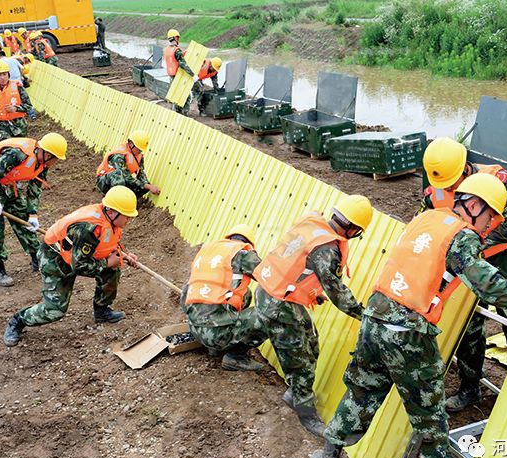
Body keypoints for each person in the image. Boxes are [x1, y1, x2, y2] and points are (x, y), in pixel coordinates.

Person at [310, 174, 507, 458]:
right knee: (430, 409)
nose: (490, 226)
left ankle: (327, 457)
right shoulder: (462, 235)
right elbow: (487, 286)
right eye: (490, 217)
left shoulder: (426, 218)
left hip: (374, 319)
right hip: (406, 331)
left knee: (362, 392)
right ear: (474, 205)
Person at [420, 137, 507, 412]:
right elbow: (427, 224)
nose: (450, 190)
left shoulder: (497, 179)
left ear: (465, 168)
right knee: (468, 329)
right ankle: (470, 388)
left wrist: (472, 245)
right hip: (464, 271)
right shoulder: (434, 190)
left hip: (503, 264)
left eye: (454, 183)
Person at [253, 195, 372, 436]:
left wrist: (311, 292)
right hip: (279, 304)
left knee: (311, 344)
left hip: (274, 292)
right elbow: (338, 293)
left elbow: (298, 263)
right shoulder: (327, 249)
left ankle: (295, 392)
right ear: (354, 229)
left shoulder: (314, 224)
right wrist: (365, 315)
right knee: (301, 360)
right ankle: (305, 411)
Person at [3, 186, 140, 347]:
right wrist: (108, 262)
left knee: (112, 269)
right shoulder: (88, 229)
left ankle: (102, 310)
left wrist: (123, 255)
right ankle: (18, 321)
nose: (128, 220)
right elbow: (80, 266)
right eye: (127, 216)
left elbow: (107, 243)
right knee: (54, 310)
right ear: (112, 212)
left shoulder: (109, 220)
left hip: (76, 256)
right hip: (56, 260)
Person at [0, 133, 67, 286]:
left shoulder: (43, 164)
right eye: (55, 158)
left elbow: (34, 190)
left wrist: (32, 214)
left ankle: (37, 259)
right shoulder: (17, 154)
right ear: (47, 153)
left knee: (25, 222)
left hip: (9, 184)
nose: (55, 162)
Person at [181, 224, 269, 371]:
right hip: (215, 335)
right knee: (270, 315)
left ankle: (215, 347)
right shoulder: (242, 253)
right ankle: (235, 357)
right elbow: (272, 278)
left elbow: (184, 296)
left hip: (195, 330)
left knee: (244, 295)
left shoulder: (207, 253)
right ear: (248, 244)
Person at [95, 130, 160, 200]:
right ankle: (114, 200)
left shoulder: (139, 156)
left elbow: (141, 173)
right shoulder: (118, 155)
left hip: (122, 180)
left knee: (144, 186)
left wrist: (148, 185)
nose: (140, 151)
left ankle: (128, 200)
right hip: (104, 181)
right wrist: (147, 186)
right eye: (138, 149)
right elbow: (125, 175)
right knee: (118, 175)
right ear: (131, 143)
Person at [0, 60, 32, 140]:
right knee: (6, 149)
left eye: (4, 74)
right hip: (2, 127)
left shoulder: (18, 87)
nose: (2, 77)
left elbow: (28, 105)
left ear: (8, 74)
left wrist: (16, 108)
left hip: (19, 126)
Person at [164, 28, 194, 115]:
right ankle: (184, 115)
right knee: (186, 97)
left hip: (171, 77)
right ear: (175, 38)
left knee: (176, 97)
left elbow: (173, 59)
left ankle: (177, 114)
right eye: (177, 37)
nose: (178, 39)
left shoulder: (167, 49)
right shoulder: (177, 50)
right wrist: (193, 75)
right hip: (178, 76)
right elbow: (182, 64)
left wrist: (183, 53)